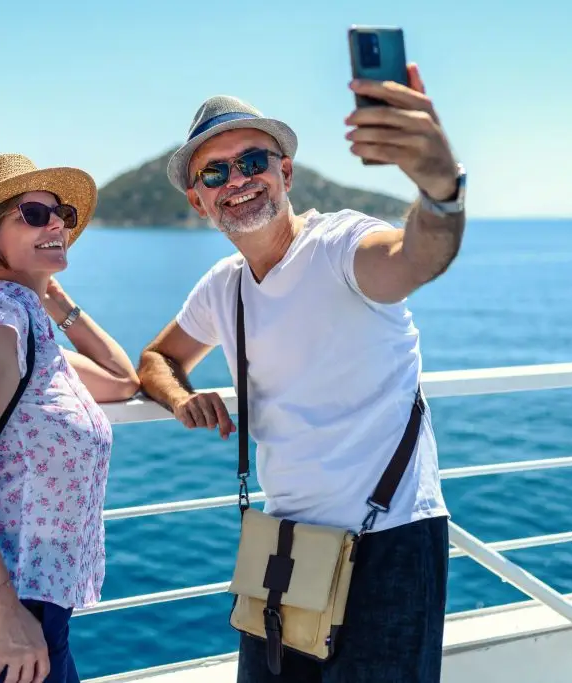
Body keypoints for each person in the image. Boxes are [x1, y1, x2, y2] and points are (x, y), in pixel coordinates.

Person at [137, 66, 466, 682]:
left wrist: (440, 190)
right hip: (284, 548)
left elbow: (415, 257)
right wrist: (182, 399)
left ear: (284, 171)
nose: (237, 181)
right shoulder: (223, 288)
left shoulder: (341, 246)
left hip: (388, 542)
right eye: (215, 173)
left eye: (252, 160)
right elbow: (157, 358)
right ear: (200, 200)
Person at [0, 153, 140, 683]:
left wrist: (59, 302)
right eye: (33, 214)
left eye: (60, 212)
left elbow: (122, 378)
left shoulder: (31, 326)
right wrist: (0, 610)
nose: (57, 222)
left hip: (36, 615)